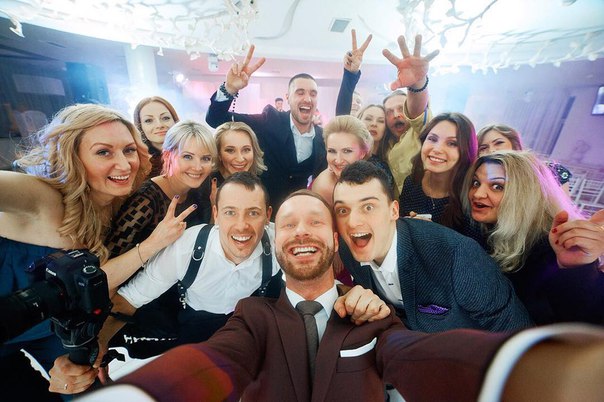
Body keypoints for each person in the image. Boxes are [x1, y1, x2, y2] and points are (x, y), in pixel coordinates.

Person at [60, 190, 604, 402]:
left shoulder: (371, 313)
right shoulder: (251, 315)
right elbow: (214, 362)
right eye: (288, 223)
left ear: (336, 241)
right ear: (275, 240)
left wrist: (534, 374)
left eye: (316, 221)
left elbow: (417, 356)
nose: (301, 231)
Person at [0, 103, 179, 401]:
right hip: (9, 317)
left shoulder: (120, 199)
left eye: (129, 150)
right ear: (72, 156)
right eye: (103, 152)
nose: (124, 165)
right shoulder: (43, 197)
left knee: (85, 391)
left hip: (53, 326)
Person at [334, 161, 533, 332]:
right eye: (343, 210)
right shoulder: (348, 249)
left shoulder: (457, 255)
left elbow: (514, 329)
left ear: (394, 211)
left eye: (368, 207)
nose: (352, 222)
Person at [462, 151, 604, 325]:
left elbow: (582, 322)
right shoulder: (483, 228)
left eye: (497, 186)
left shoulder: (552, 244)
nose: (477, 194)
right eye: (476, 183)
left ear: (526, 195)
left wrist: (577, 269)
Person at [205, 45, 327, 211]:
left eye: (313, 94)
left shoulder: (323, 138)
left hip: (295, 215)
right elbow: (215, 119)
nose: (307, 99)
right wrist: (230, 89)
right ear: (287, 98)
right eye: (300, 92)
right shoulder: (270, 120)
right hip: (258, 210)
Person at [399, 112, 478, 235]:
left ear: (466, 150)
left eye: (452, 143)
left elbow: (473, 246)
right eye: (432, 139)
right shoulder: (412, 182)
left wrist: (433, 234)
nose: (437, 149)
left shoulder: (471, 198)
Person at [477, 123, 573, 192]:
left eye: (499, 143)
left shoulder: (551, 171)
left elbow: (563, 210)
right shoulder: (478, 178)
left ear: (514, 144)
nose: (492, 150)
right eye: (483, 148)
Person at [201, 121, 267, 211]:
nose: (240, 159)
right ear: (218, 154)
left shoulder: (263, 182)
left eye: (246, 150)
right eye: (230, 150)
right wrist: (215, 208)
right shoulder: (205, 185)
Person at [310, 115, 373, 205]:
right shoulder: (325, 187)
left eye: (347, 151)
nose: (338, 160)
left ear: (362, 153)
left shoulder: (371, 177)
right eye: (332, 151)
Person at [132, 96, 180, 178]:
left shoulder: (194, 150)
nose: (159, 125)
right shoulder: (135, 163)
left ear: (175, 121)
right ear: (140, 127)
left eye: (165, 118)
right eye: (149, 120)